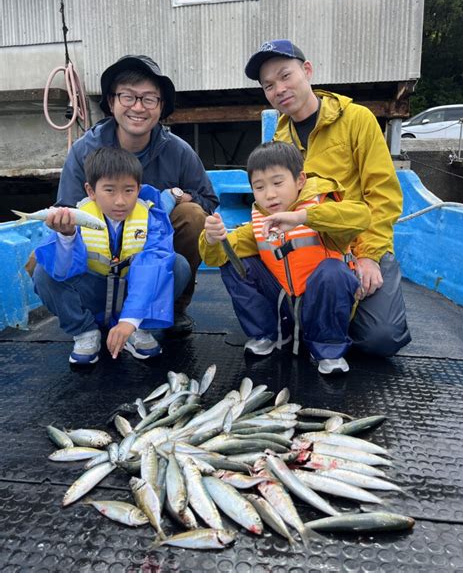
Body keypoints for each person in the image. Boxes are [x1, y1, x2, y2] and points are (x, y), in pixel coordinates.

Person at [244, 40, 411, 357]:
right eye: (269, 85)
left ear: (307, 71)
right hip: (303, 248)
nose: (279, 89)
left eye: (285, 76)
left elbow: (383, 193)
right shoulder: (280, 138)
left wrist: (370, 256)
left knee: (381, 339)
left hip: (355, 244)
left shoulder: (357, 119)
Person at [56, 55, 218, 334]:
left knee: (193, 216)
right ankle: (87, 319)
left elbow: (209, 201)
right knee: (40, 260)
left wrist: (175, 197)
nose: (138, 107)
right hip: (100, 252)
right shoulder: (84, 150)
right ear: (111, 101)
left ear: (161, 106)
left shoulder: (178, 151)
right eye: (128, 97)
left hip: (150, 247)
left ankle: (173, 306)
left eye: (149, 99)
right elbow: (67, 206)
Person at [199, 141, 371, 374]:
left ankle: (328, 349)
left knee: (333, 271)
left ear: (300, 180)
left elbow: (362, 216)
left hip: (320, 307)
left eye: (278, 183)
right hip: (285, 307)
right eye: (259, 187)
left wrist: (302, 217)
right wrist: (212, 238)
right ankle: (269, 334)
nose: (270, 194)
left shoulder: (323, 210)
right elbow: (216, 257)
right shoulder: (259, 223)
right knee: (234, 263)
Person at [33, 146, 191, 365]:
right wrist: (67, 237)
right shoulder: (74, 217)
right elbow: (62, 271)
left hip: (132, 295)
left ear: (139, 188)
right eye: (109, 190)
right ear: (90, 191)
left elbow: (154, 264)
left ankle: (139, 329)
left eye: (129, 190)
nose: (120, 201)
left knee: (178, 265)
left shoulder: (151, 217)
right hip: (94, 296)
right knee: (44, 269)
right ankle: (85, 332)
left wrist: (130, 320)